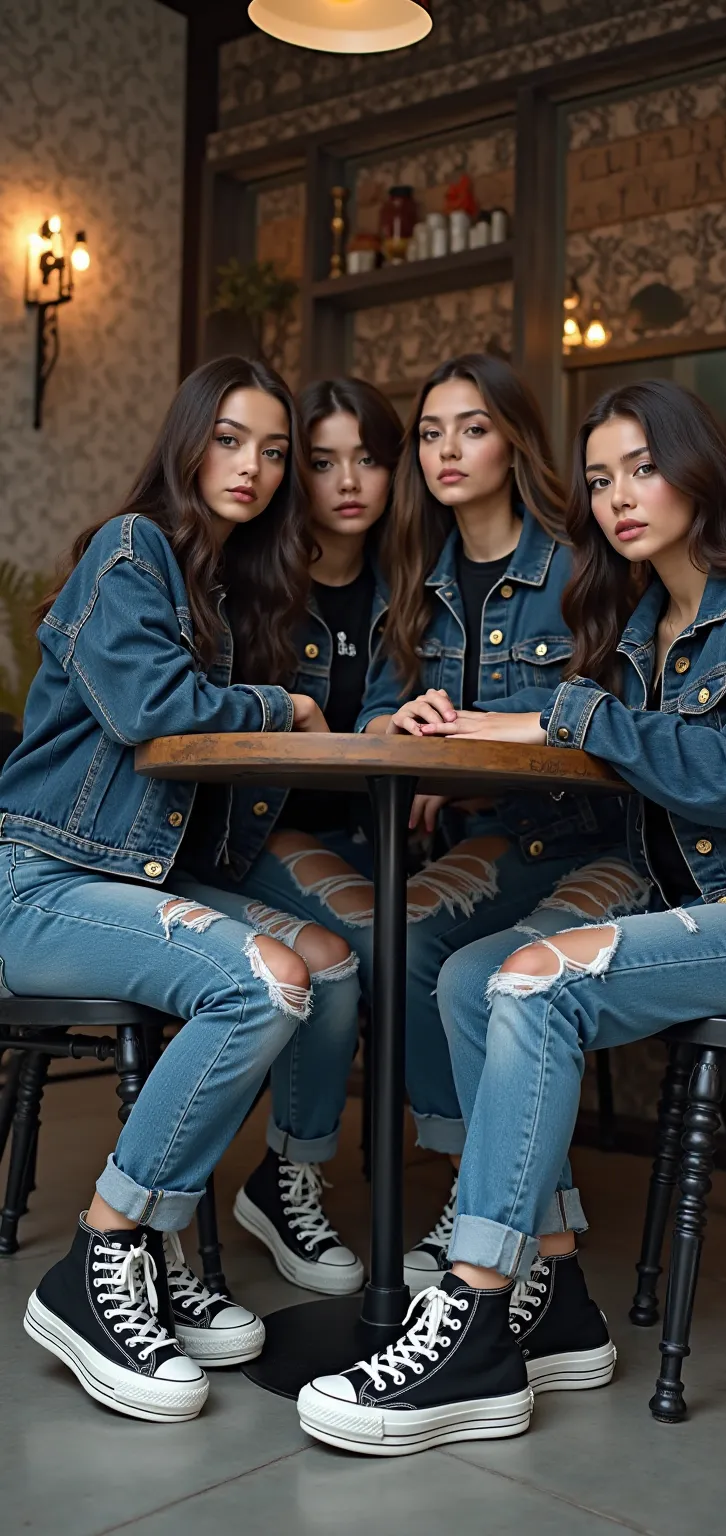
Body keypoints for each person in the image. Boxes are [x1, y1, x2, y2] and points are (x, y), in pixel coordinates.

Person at [296, 377, 726, 1455]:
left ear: (698, 467)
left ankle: (469, 1322)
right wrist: (485, 728)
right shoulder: (643, 619)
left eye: (644, 469)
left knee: (531, 980)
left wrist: (573, 709)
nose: (618, 498)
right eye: (601, 479)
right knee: (468, 978)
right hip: (703, 914)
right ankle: (553, 1291)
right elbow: (586, 734)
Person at [0, 355, 362, 1422]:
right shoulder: (130, 549)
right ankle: (102, 1257)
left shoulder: (227, 591)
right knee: (262, 983)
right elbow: (154, 710)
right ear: (187, 441)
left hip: (134, 880)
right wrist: (285, 708)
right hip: (45, 883)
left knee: (332, 966)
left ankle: (228, 1211)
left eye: (273, 450)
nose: (251, 466)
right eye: (230, 439)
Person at [255, 353, 646, 1299]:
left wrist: (498, 728)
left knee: (460, 960)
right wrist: (410, 729)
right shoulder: (414, 579)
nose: (446, 451)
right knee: (409, 930)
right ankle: (467, 1179)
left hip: (596, 836)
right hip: (505, 833)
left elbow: (630, 709)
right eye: (430, 433)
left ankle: (479, 1200)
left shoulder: (582, 556)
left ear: (514, 440)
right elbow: (395, 710)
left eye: (470, 428)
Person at [226, 376, 401, 1291]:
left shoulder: (412, 585)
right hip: (263, 833)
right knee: (369, 937)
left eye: (369, 459)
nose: (347, 482)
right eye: (323, 460)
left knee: (441, 942)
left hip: (383, 833)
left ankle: (487, 1201)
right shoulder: (255, 580)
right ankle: (288, 1175)